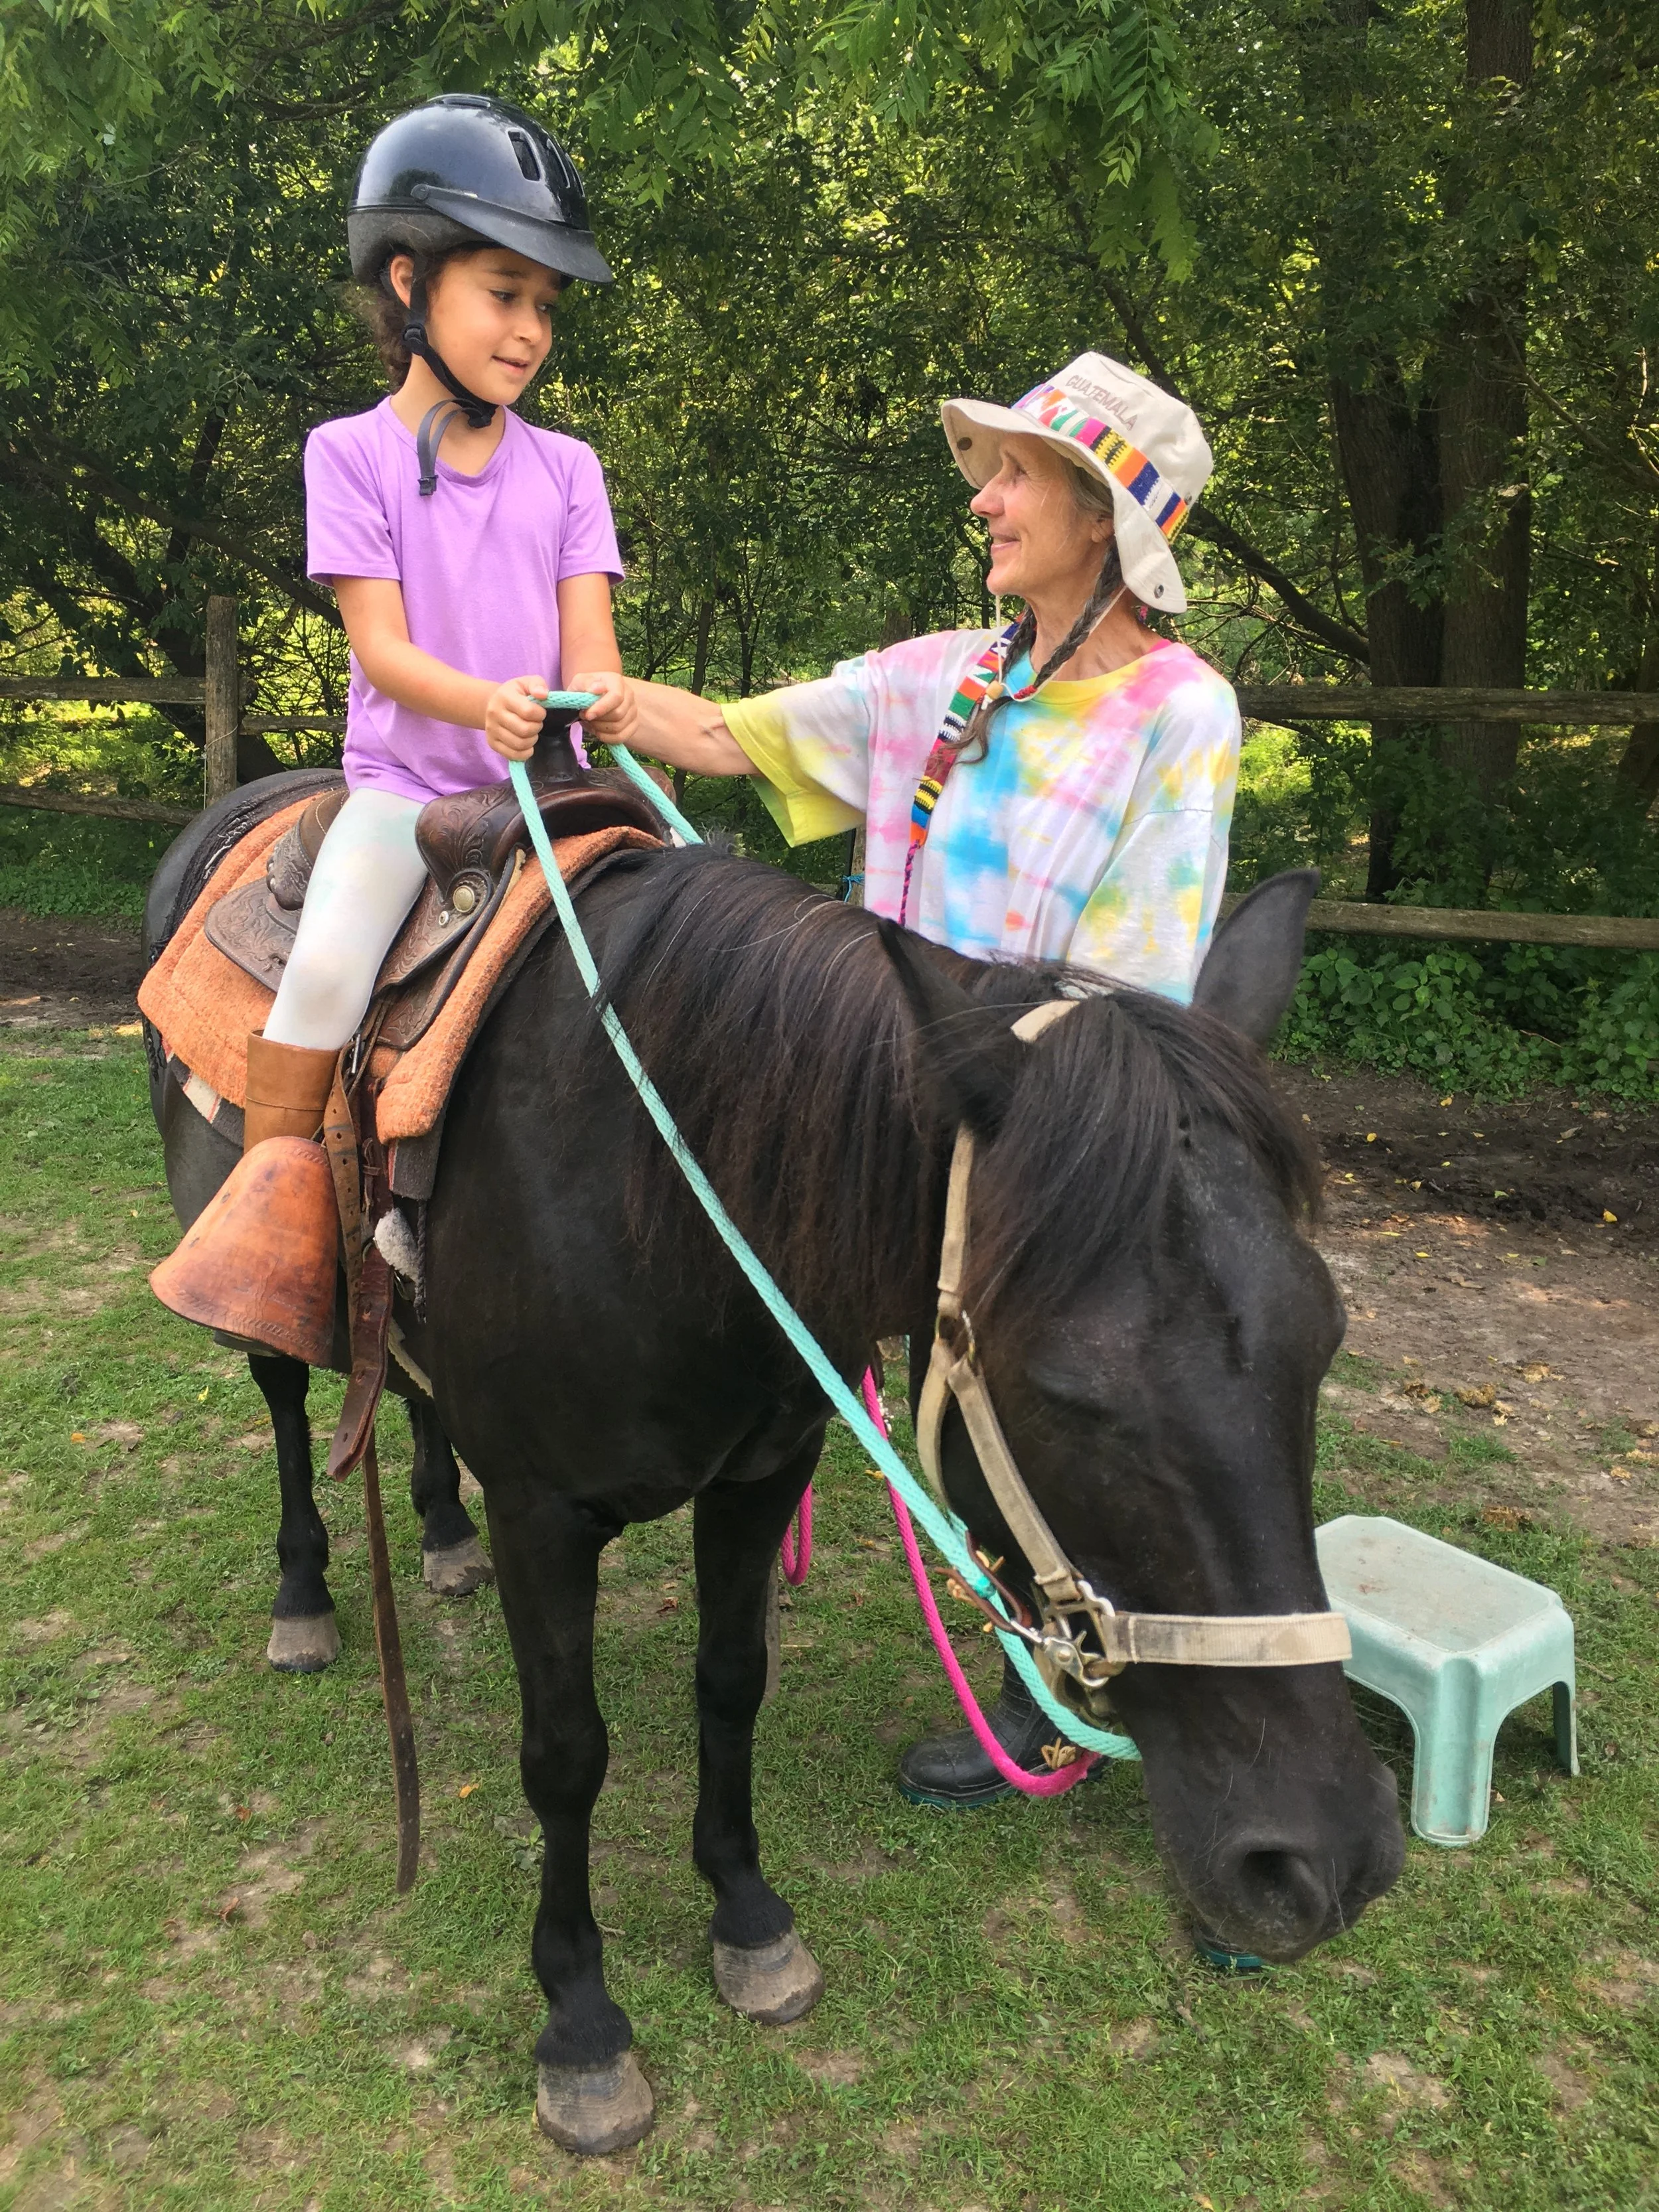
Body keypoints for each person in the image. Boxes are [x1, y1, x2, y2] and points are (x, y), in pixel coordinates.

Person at [575, 350, 1242, 1805]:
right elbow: (724, 736)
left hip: (1046, 1133)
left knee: (1051, 1430)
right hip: (899, 1118)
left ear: (1100, 517)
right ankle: (1029, 1668)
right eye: (991, 472)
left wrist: (1026, 1151)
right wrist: (587, 698)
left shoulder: (1179, 713)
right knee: (935, 1412)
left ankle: (1081, 1701)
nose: (985, 500)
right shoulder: (949, 678)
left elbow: (1133, 990)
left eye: (1018, 476)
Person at [153, 93, 628, 1346]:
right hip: (409, 801)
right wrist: (489, 703)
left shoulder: (570, 469)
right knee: (324, 971)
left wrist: (603, 696)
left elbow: (591, 648)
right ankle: (274, 1223)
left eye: (546, 305)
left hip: (557, 793)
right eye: (505, 293)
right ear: (410, 281)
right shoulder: (348, 455)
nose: (530, 331)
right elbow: (384, 650)